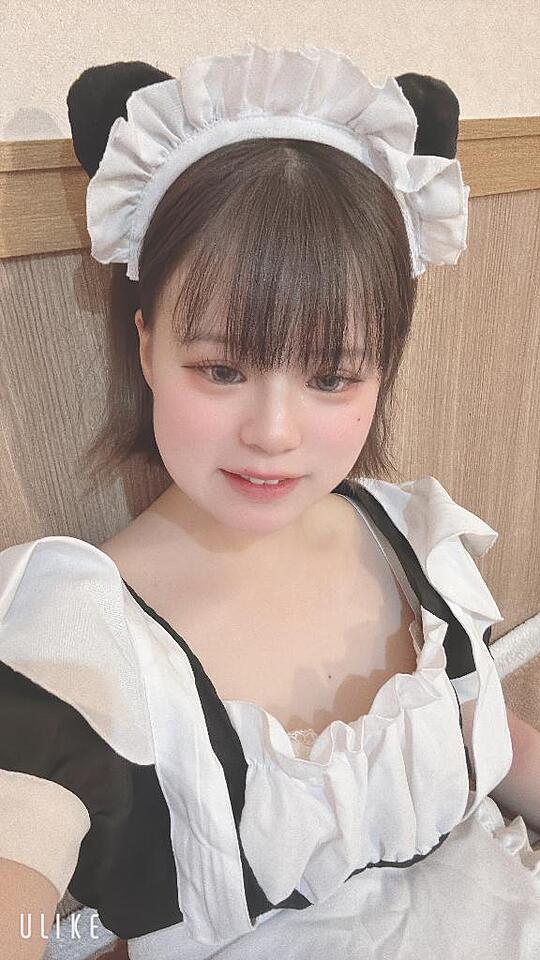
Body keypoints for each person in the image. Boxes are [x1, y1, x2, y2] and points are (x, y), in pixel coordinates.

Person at [1, 42, 539, 960]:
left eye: (331, 377)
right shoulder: (80, 633)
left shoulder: (411, 538)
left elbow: (490, 740)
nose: (274, 432)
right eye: (222, 369)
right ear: (146, 346)